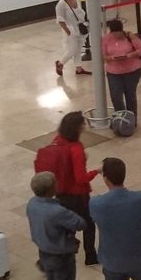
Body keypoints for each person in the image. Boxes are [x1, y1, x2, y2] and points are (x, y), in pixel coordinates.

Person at [34, 111, 100, 265]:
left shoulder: (58, 140)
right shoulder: (76, 148)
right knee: (88, 224)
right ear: (77, 128)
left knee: (65, 226)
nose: (85, 125)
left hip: (60, 192)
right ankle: (91, 256)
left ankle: (49, 257)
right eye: (83, 123)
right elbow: (81, 178)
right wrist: (97, 170)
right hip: (78, 195)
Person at [100, 19, 141, 119]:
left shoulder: (129, 36)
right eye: (114, 33)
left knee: (130, 95)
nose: (116, 36)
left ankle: (131, 119)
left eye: (118, 33)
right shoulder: (106, 39)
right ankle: (121, 118)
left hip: (132, 71)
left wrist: (130, 55)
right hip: (113, 72)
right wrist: (112, 58)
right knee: (116, 96)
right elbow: (102, 56)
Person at [55, 0, 88, 77]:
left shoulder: (76, 0)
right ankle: (60, 63)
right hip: (70, 29)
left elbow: (80, 13)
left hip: (79, 28)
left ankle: (79, 68)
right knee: (72, 50)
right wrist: (67, 31)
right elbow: (60, 19)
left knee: (78, 49)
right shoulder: (61, 4)